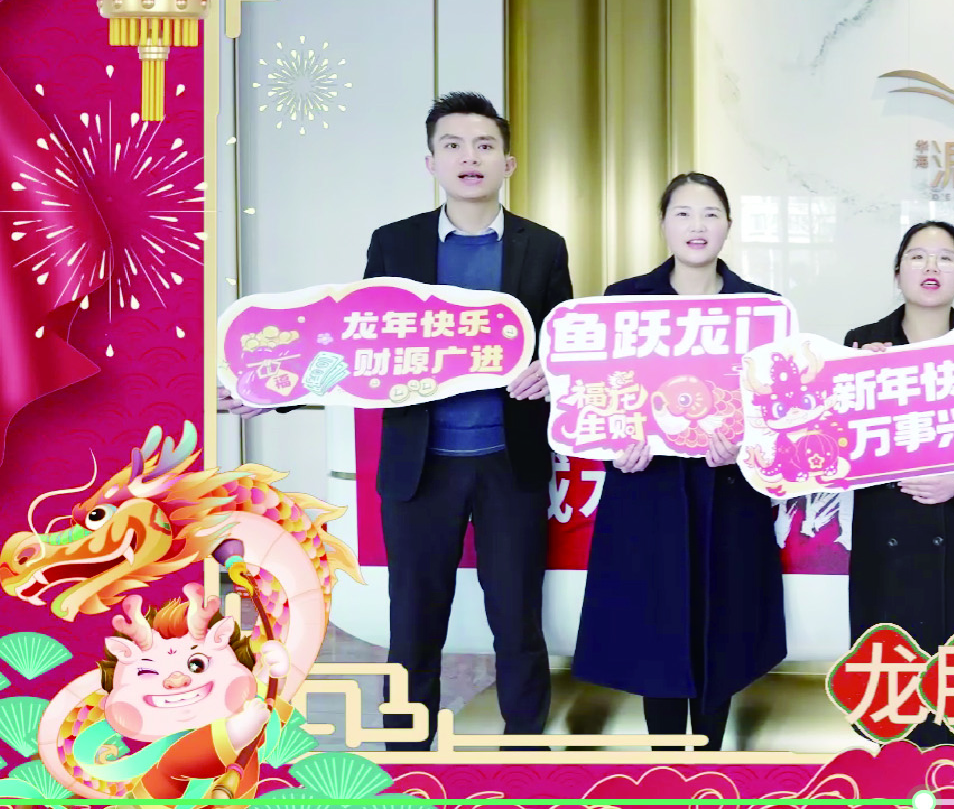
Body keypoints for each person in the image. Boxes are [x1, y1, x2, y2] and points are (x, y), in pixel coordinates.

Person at [222, 91, 570, 748]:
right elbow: (354, 346)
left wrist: (554, 372)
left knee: (517, 617)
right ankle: (406, 750)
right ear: (431, 162)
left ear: (508, 163)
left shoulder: (543, 248)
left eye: (485, 145)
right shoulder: (396, 244)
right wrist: (276, 390)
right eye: (453, 145)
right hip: (420, 468)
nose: (469, 157)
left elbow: (564, 344)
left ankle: (524, 745)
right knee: (413, 618)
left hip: (512, 463)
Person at [572, 173, 786, 751]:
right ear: (664, 224)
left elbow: (779, 411)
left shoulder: (761, 310)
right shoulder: (623, 301)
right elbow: (600, 396)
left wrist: (745, 444)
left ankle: (711, 760)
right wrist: (617, 445)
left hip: (729, 491)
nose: (697, 226)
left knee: (723, 623)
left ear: (728, 226)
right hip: (648, 487)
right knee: (656, 626)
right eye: (684, 213)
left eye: (711, 213)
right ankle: (667, 762)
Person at [843, 220, 954, 749]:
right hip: (886, 536)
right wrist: (857, 383)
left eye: (945, 257)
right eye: (918, 256)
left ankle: (952, 776)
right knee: (889, 688)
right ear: (898, 272)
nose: (931, 267)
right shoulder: (860, 343)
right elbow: (833, 443)